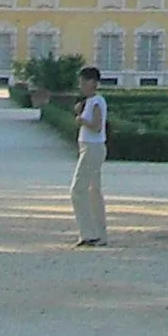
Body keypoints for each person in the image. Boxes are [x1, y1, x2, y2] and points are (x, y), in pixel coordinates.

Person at [71, 66, 108, 245]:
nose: (81, 85)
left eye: (83, 81)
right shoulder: (90, 101)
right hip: (91, 147)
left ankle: (88, 233)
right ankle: (99, 234)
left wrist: (81, 120)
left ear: (92, 82)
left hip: (92, 148)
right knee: (94, 191)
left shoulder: (96, 101)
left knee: (77, 190)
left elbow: (97, 125)